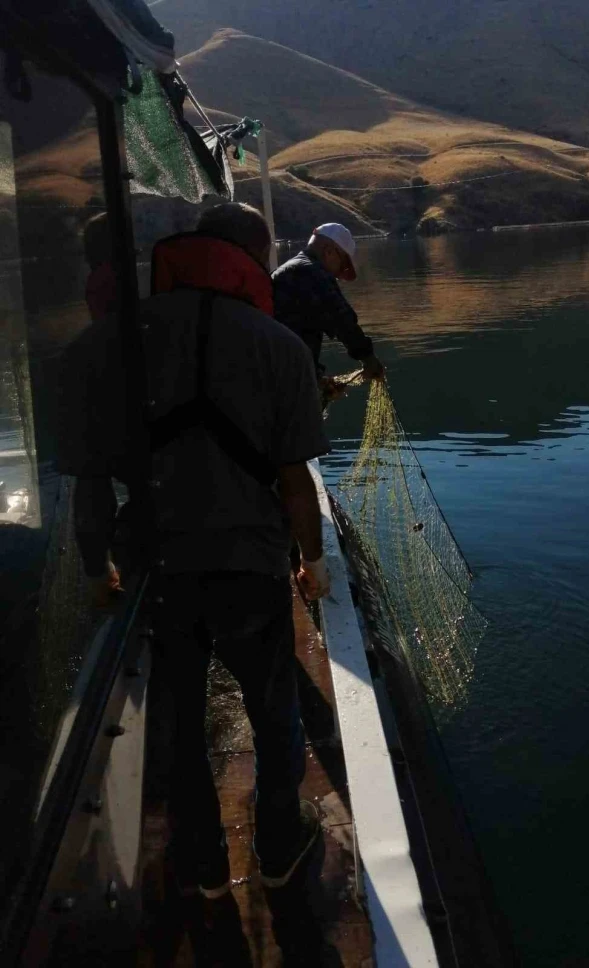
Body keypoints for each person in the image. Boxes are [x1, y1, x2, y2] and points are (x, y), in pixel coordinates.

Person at [58, 202, 332, 897]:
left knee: (177, 721)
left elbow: (91, 486)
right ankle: (278, 846)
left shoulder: (103, 346)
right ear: (253, 257)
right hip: (251, 569)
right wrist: (313, 562)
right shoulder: (281, 347)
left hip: (160, 573)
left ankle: (204, 864)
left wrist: (98, 569)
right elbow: (297, 482)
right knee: (275, 715)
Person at [272, 223, 384, 381]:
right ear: (329, 251)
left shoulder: (287, 271)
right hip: (284, 379)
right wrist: (369, 359)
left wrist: (318, 379)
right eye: (343, 265)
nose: (338, 274)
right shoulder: (311, 272)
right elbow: (342, 320)